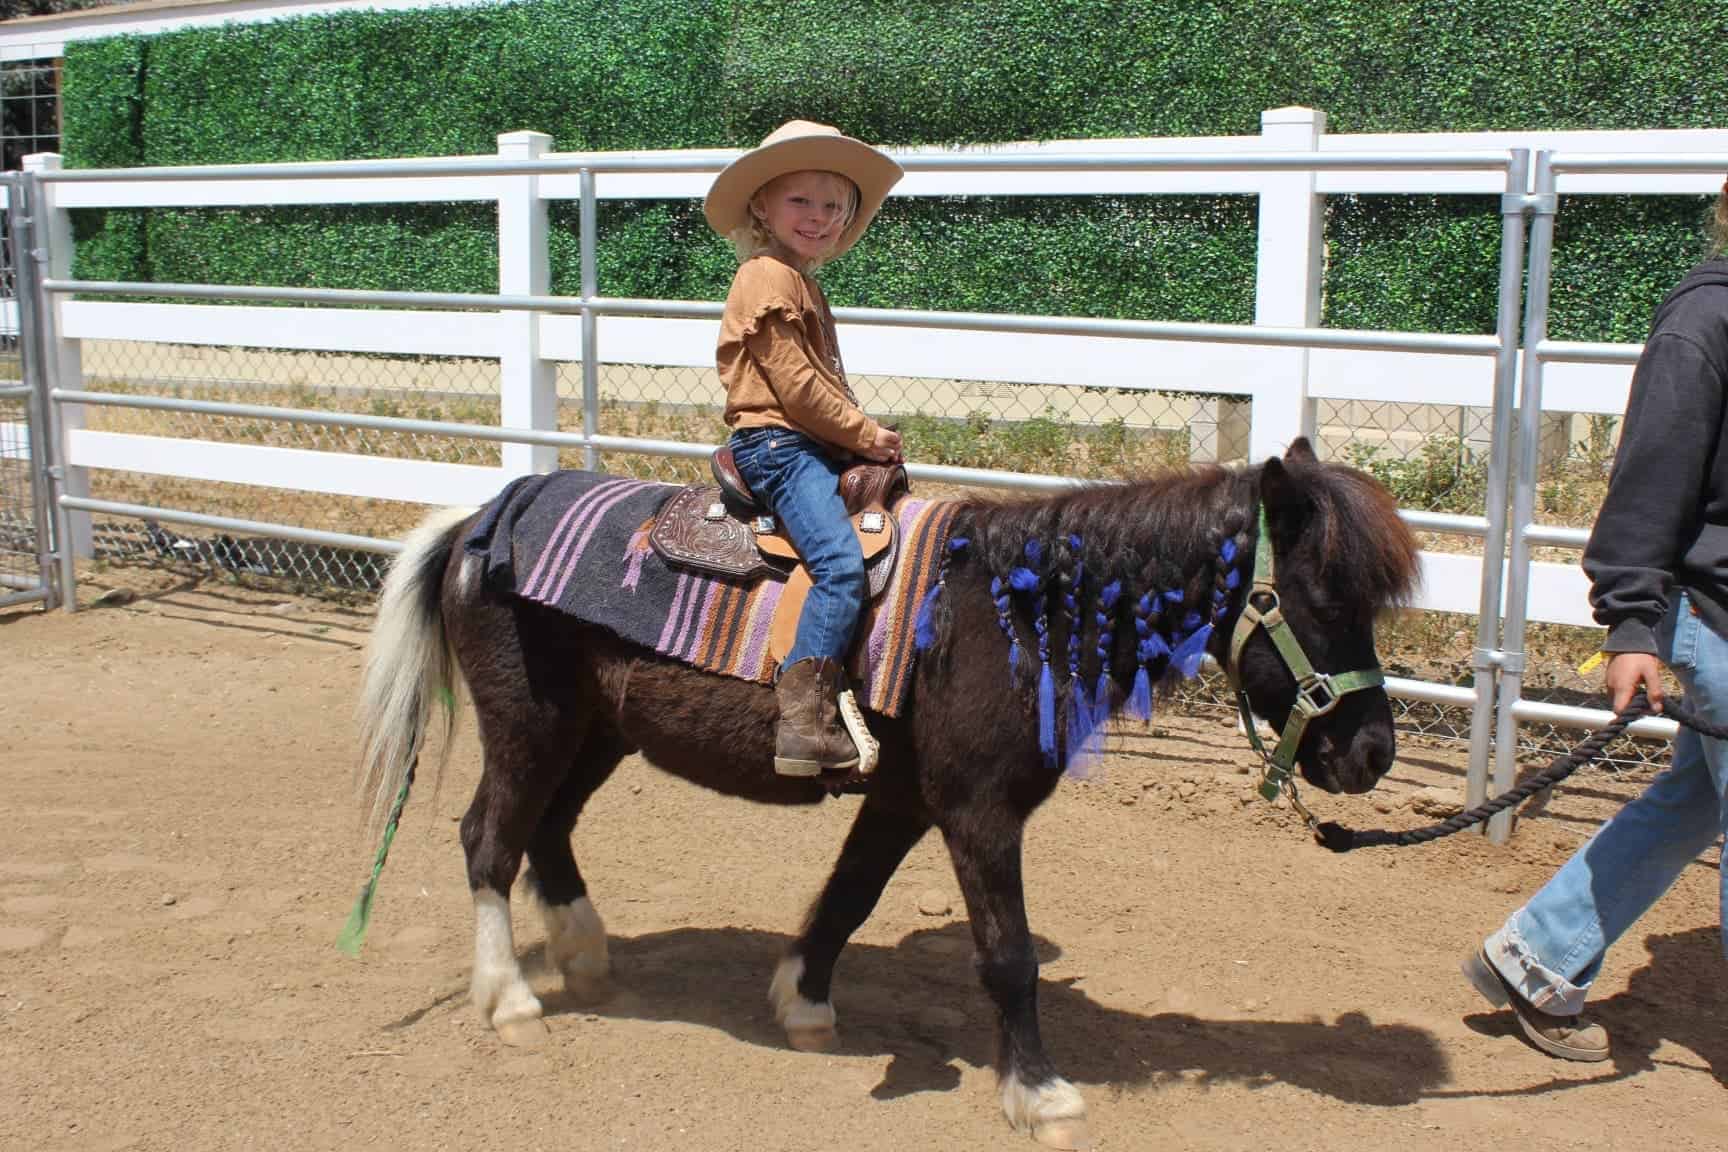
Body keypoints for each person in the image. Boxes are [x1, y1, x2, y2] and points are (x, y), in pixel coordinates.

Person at [1462, 177, 1728, 1061]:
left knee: (1690, 801)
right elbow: (1651, 478)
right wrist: (1632, 625)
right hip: (1721, 617)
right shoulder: (1704, 323)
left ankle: (1535, 957)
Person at [703, 120, 905, 776]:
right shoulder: (766, 276)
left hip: (808, 441)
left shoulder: (799, 280)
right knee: (841, 566)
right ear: (761, 205)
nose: (818, 218)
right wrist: (866, 433)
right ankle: (804, 718)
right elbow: (794, 386)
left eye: (834, 206)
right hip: (779, 447)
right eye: (801, 201)